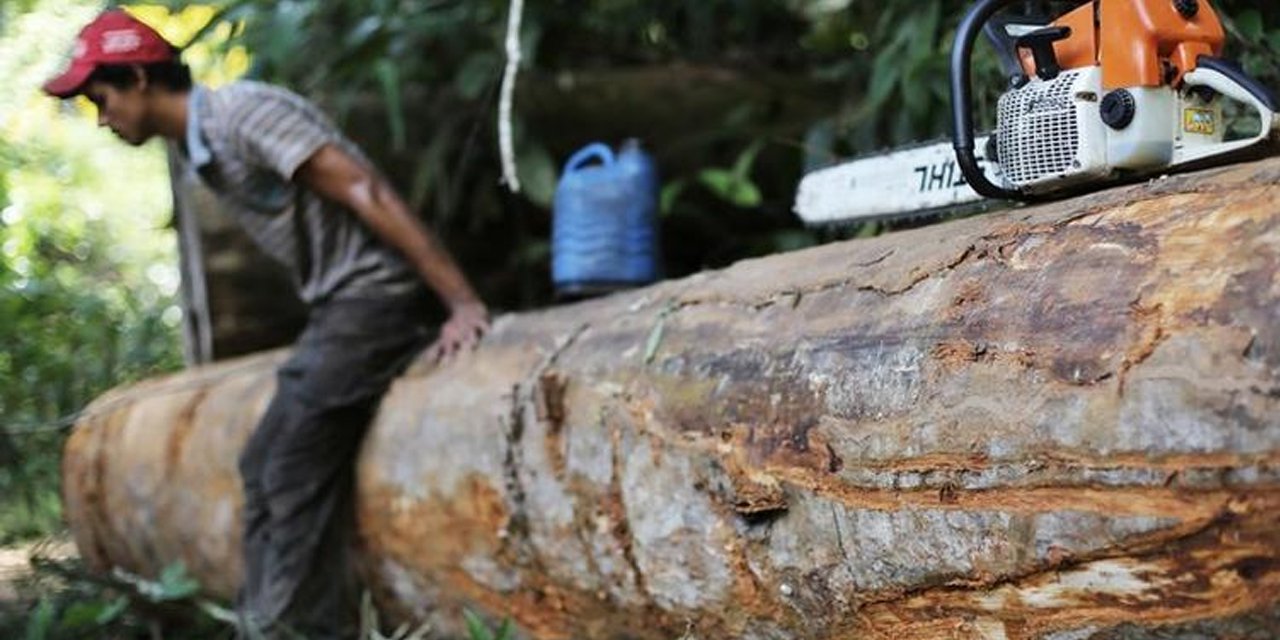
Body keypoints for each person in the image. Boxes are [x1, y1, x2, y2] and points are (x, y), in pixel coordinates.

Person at [43, 9, 490, 639]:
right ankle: (263, 622)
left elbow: (365, 189)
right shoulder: (198, 146)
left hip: (376, 297)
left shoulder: (242, 114)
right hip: (342, 307)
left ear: (139, 79)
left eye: (101, 98)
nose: (102, 117)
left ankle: (297, 630)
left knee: (289, 463)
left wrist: (461, 301)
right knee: (262, 461)